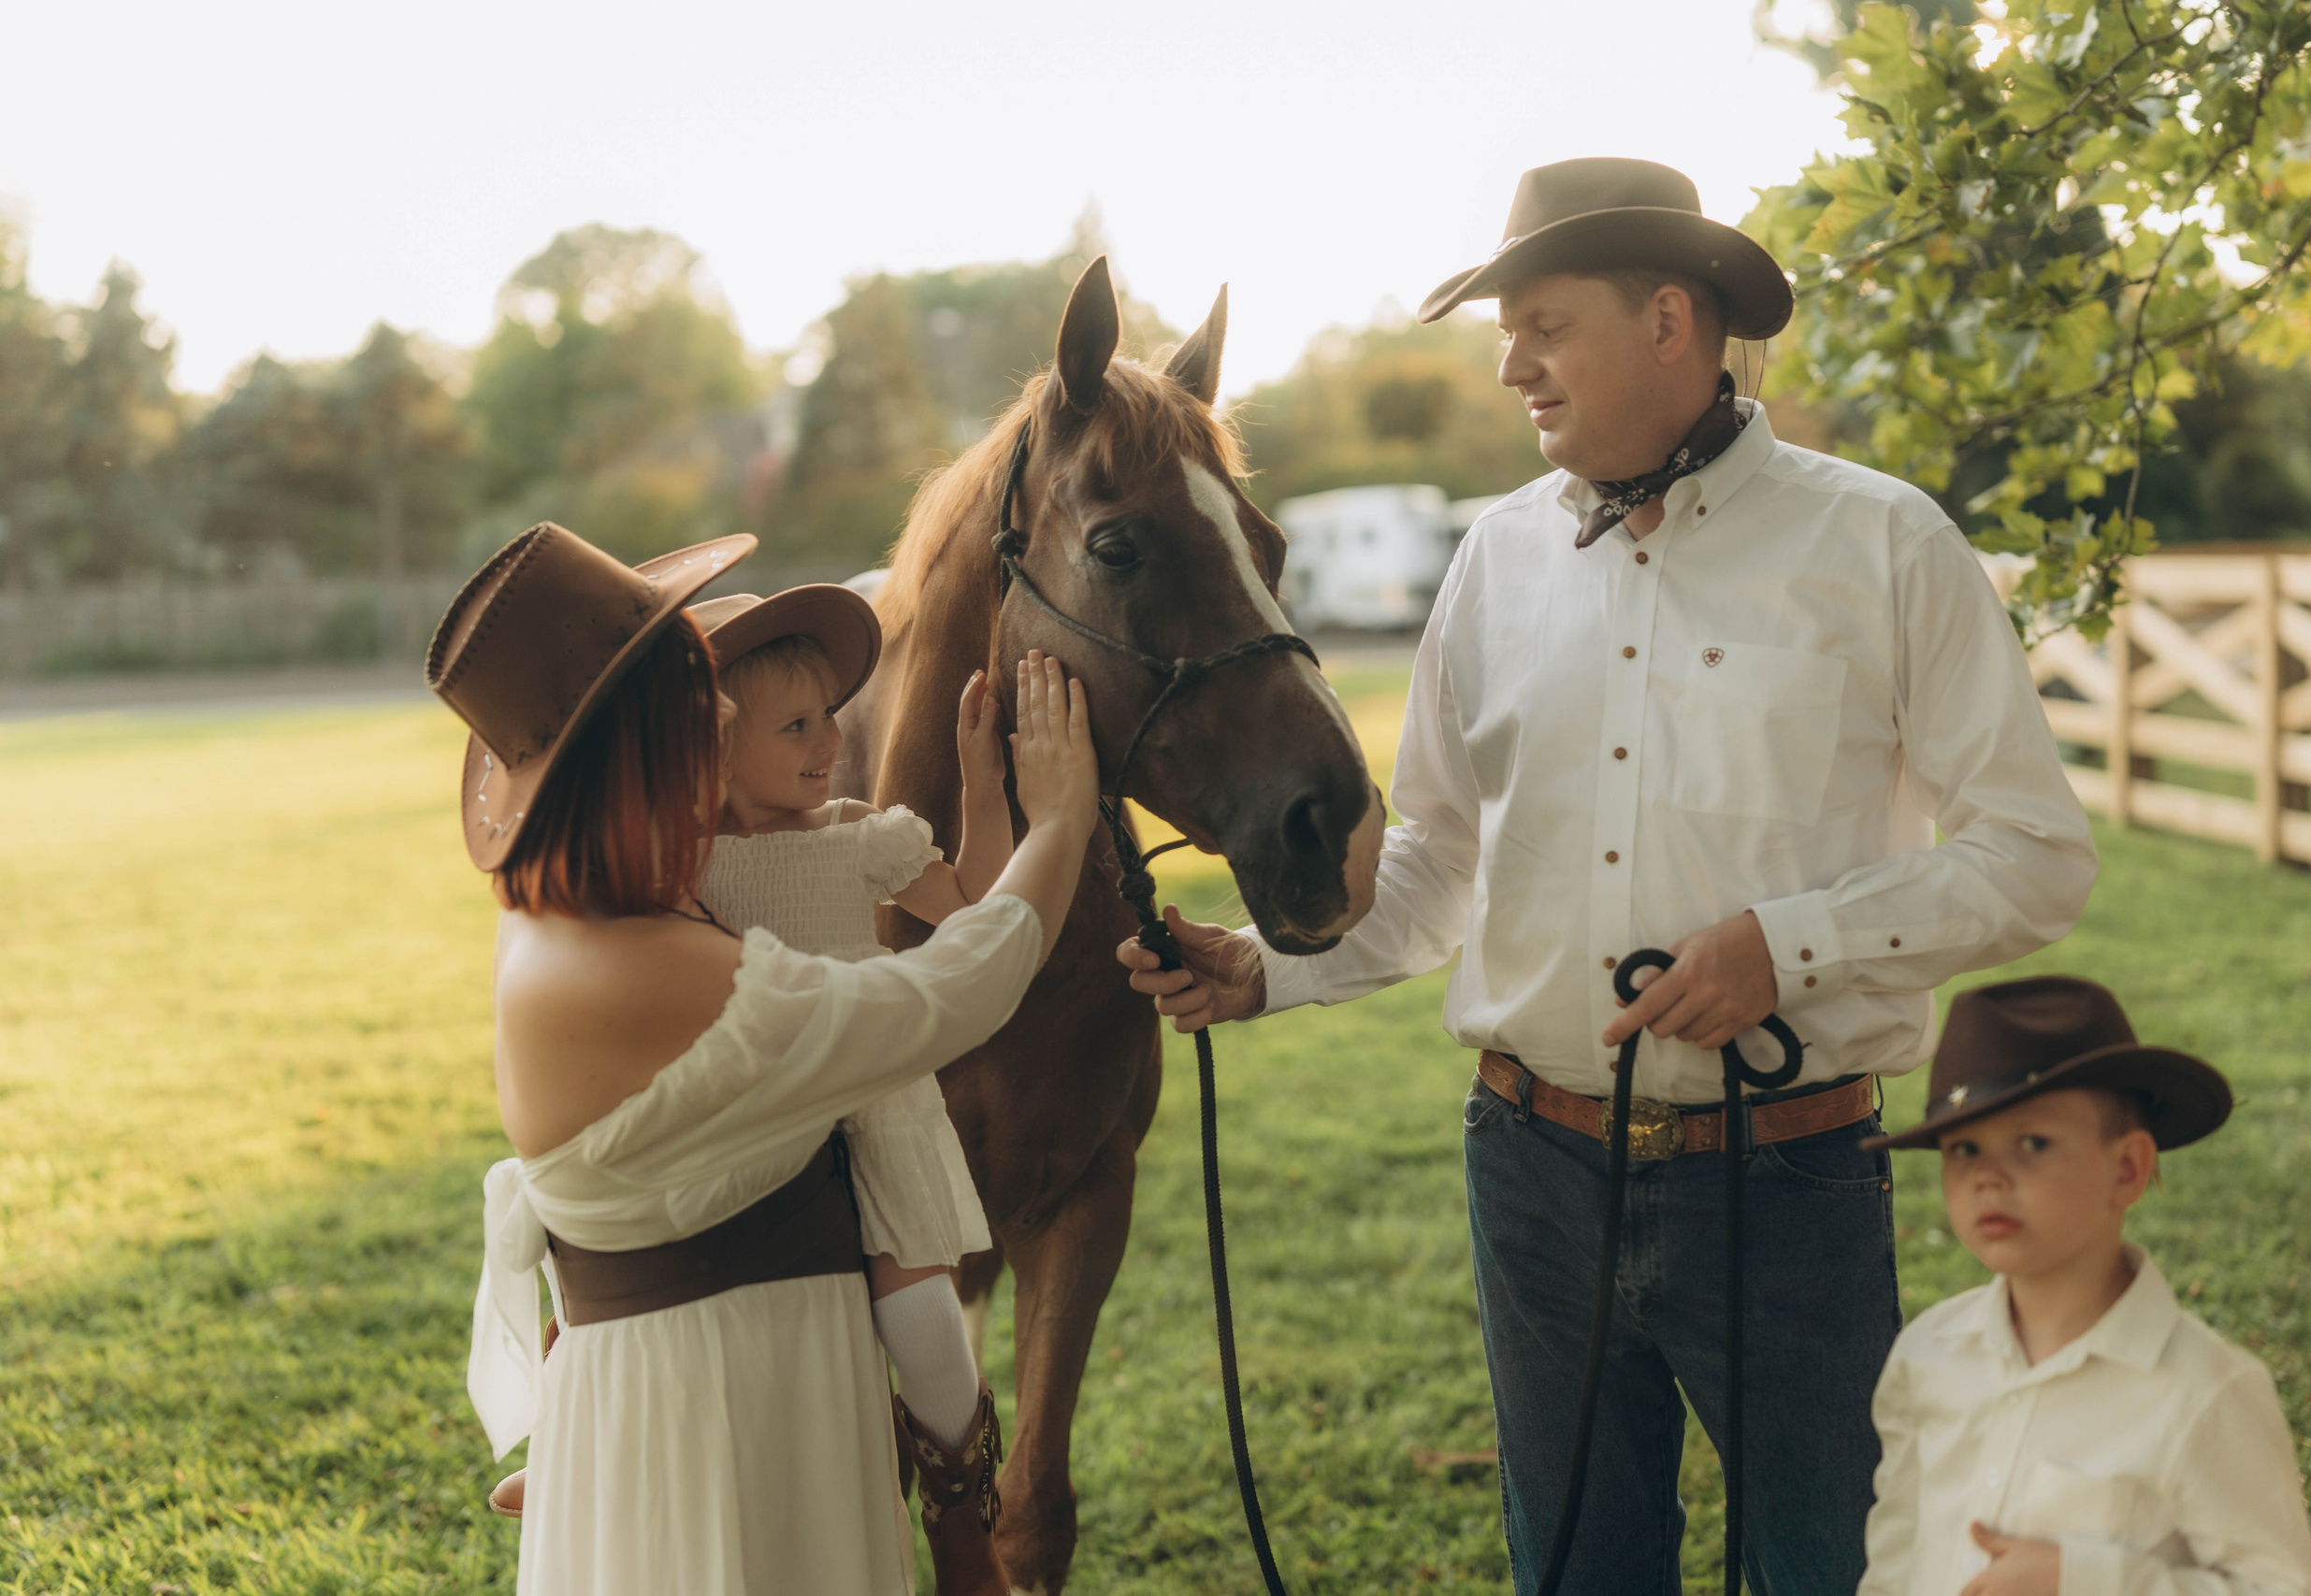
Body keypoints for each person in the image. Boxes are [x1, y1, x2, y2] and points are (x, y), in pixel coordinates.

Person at [1120, 157, 2099, 1594]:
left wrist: (1790, 944)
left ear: (1666, 320)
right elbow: (1445, 859)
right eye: (1505, 330)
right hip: (1531, 1176)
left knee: (1832, 1567)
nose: (1511, 365)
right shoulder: (1495, 559)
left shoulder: (1883, 543)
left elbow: (2036, 856)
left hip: (1791, 1181)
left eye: (1542, 323)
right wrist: (1268, 968)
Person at [439, 522, 1096, 1595]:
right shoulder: (653, 966)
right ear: (646, 753)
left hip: (703, 1395)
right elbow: (944, 993)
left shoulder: (581, 914)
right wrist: (1058, 822)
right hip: (721, 1422)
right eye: (704, 713)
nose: (728, 721)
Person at [1857, 975, 2311, 1596]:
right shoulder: (1928, 1353)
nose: (1988, 1176)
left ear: (2128, 1167)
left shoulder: (2203, 1391)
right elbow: (1897, 1553)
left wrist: (2083, 1579)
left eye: (2032, 1141)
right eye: (1964, 1147)